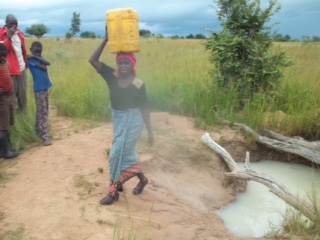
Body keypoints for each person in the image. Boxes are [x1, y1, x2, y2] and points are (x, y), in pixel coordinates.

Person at [89, 35, 154, 205]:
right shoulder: (111, 75)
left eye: (127, 63)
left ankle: (114, 191)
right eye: (121, 63)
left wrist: (150, 131)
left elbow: (145, 108)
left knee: (116, 153)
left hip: (134, 121)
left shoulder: (139, 83)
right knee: (128, 154)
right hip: (118, 119)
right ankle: (143, 180)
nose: (123, 66)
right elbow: (92, 59)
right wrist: (105, 39)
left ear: (133, 65)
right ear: (117, 64)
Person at [0, 14, 28, 112]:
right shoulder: (1, 33)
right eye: (11, 24)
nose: (14, 26)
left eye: (16, 24)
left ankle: (23, 114)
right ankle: (11, 119)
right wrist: (8, 37)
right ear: (6, 23)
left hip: (21, 68)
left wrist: (25, 62)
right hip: (9, 70)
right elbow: (2, 51)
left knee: (23, 92)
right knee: (11, 94)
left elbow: (22, 49)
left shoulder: (20, 33)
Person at [27, 41, 52, 146]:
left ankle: (39, 131)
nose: (37, 52)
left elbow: (48, 63)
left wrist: (37, 56)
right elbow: (44, 67)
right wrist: (37, 57)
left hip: (44, 87)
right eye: (35, 51)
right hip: (39, 88)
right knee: (42, 113)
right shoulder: (31, 60)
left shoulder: (35, 58)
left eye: (39, 51)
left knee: (43, 110)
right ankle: (44, 136)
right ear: (31, 50)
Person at [0, 43, 19, 159]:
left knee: (8, 123)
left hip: (9, 97)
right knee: (3, 126)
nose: (3, 58)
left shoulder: (6, 63)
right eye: (0, 56)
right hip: (1, 100)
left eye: (4, 56)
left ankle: (8, 147)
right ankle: (5, 151)